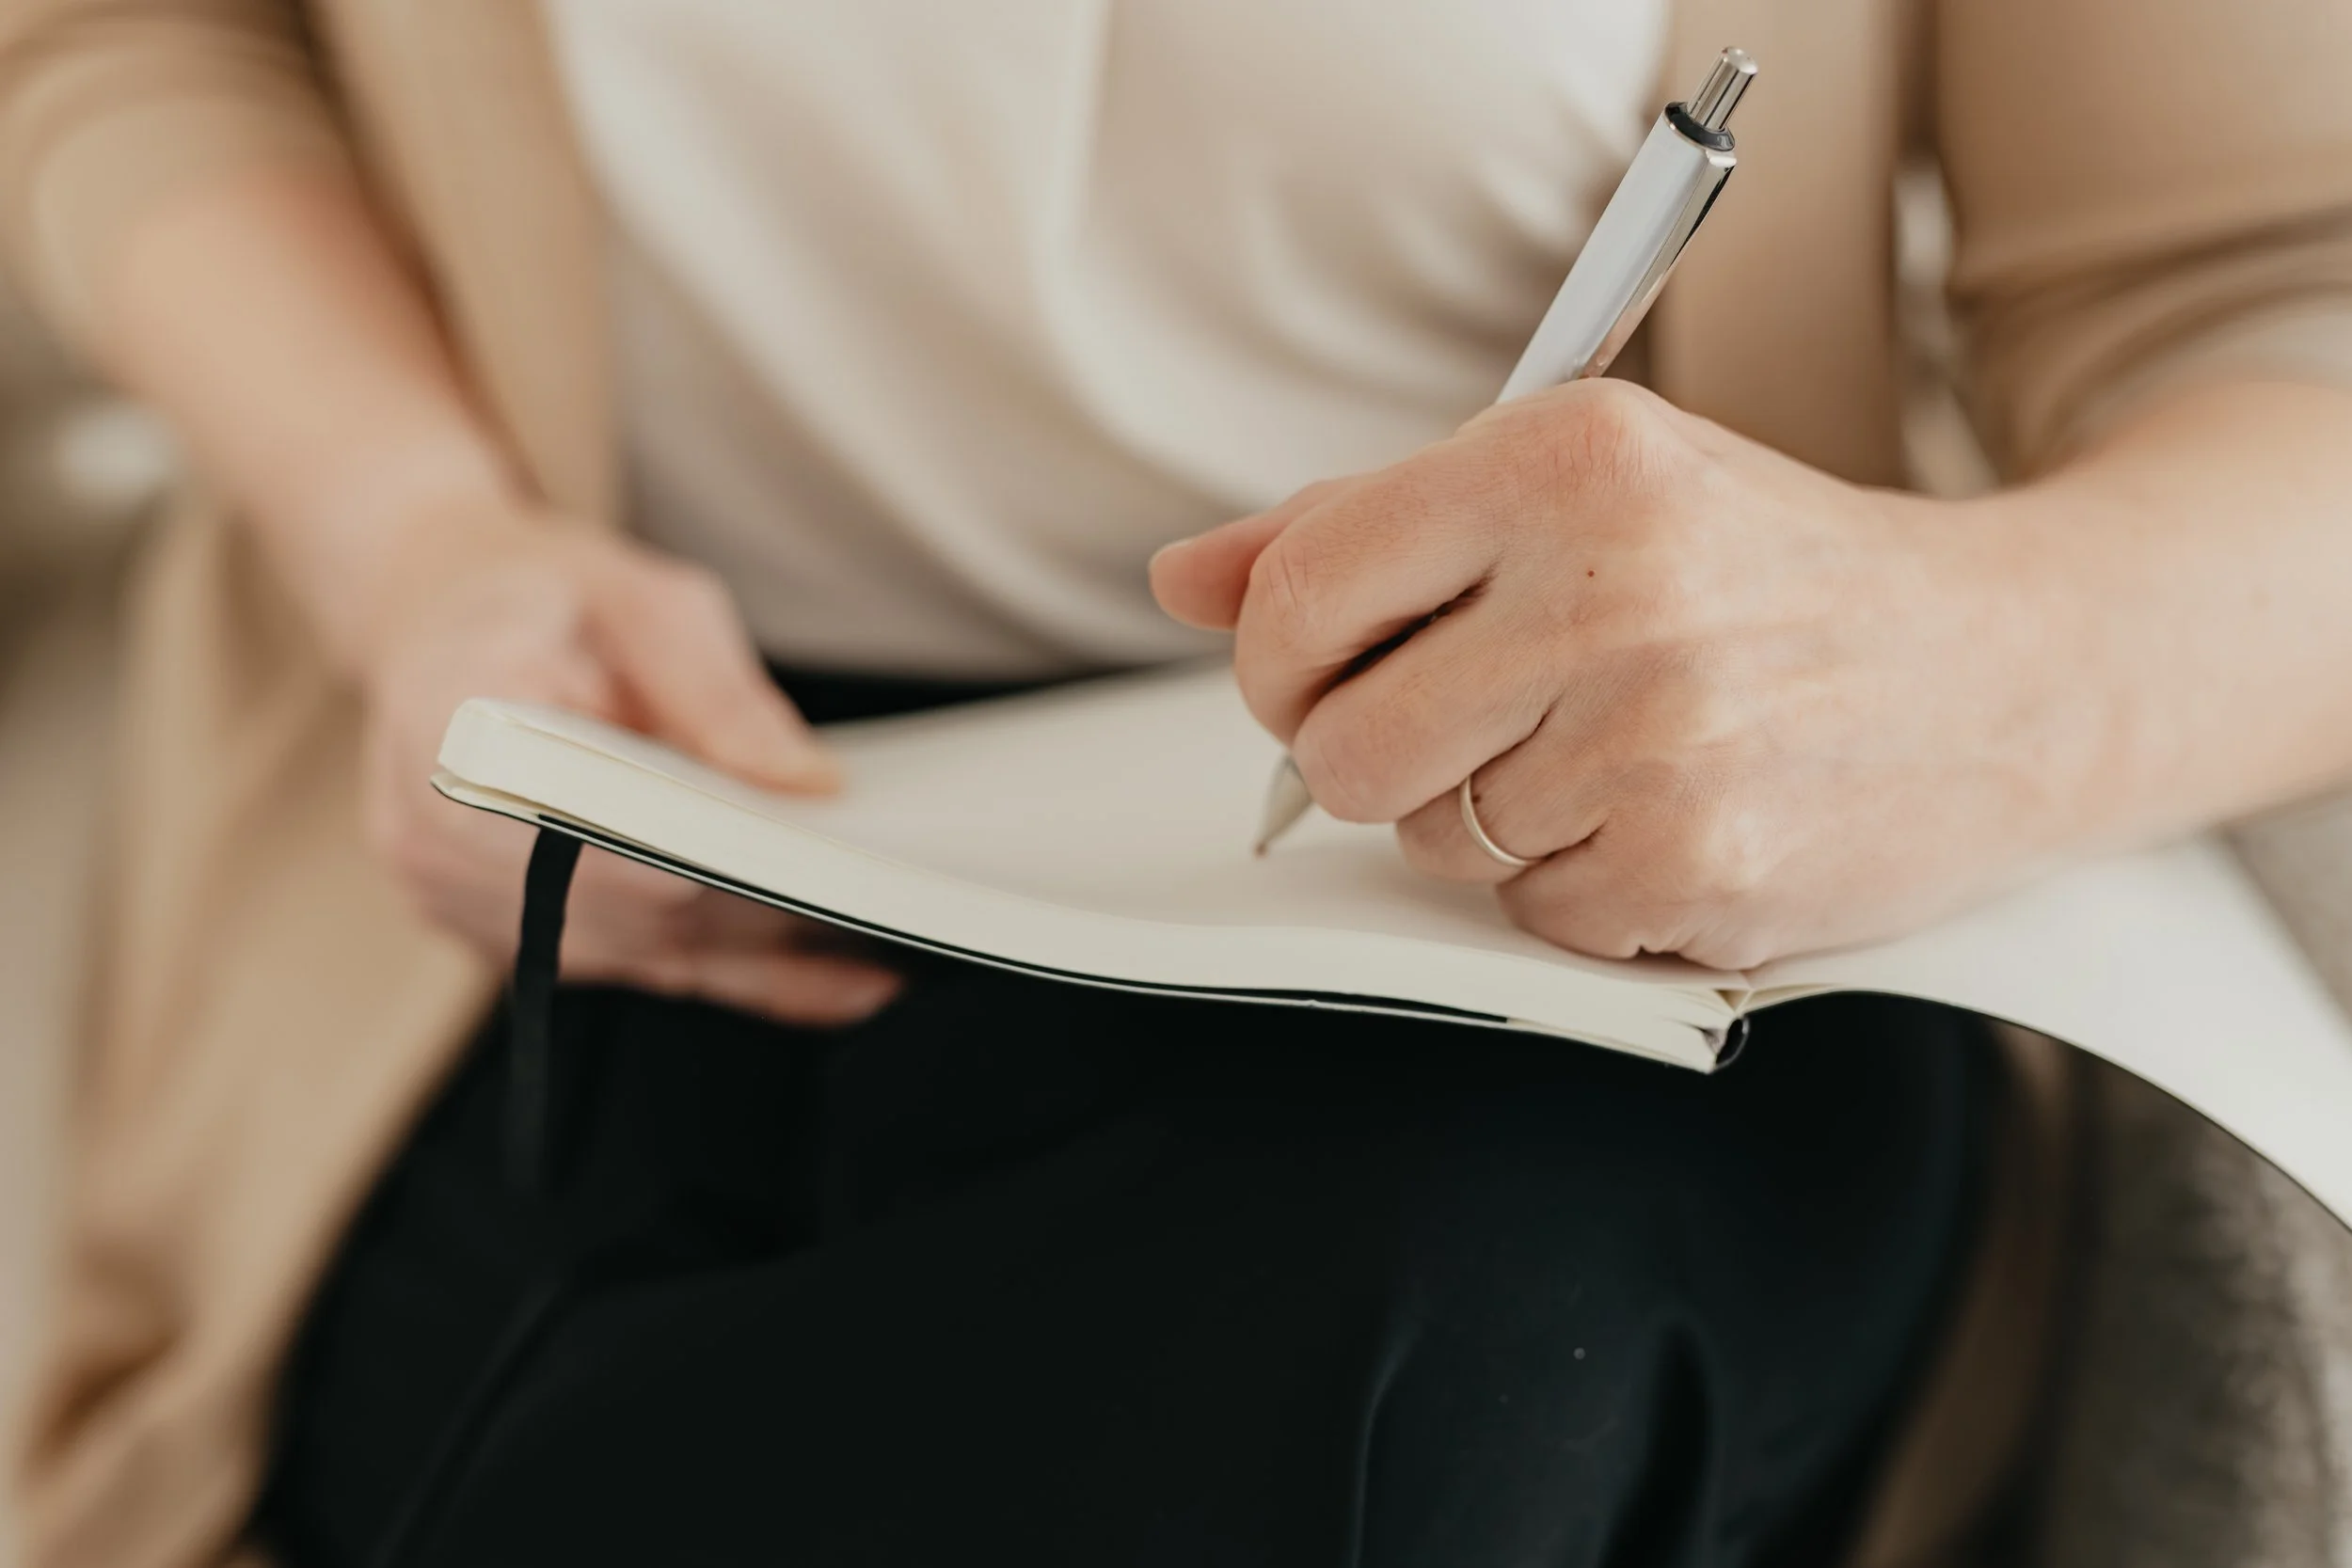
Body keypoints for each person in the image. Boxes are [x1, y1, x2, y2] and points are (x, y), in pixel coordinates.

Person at [2, 0, 2348, 1564]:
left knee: (1383, 1406)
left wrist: (1965, 654)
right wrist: (404, 524)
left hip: (1561, 907)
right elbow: (130, 35)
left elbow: (2282, 291)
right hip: (585, 833)